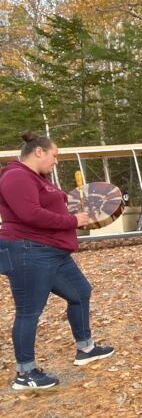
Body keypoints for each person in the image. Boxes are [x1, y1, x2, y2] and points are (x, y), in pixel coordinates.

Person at [0, 132, 115, 391]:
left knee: (80, 292)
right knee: (29, 311)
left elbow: (53, 207)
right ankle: (25, 373)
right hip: (27, 251)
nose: (56, 161)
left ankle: (86, 348)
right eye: (55, 155)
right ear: (39, 152)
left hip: (52, 251)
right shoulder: (16, 176)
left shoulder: (38, 178)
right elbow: (29, 214)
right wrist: (73, 221)